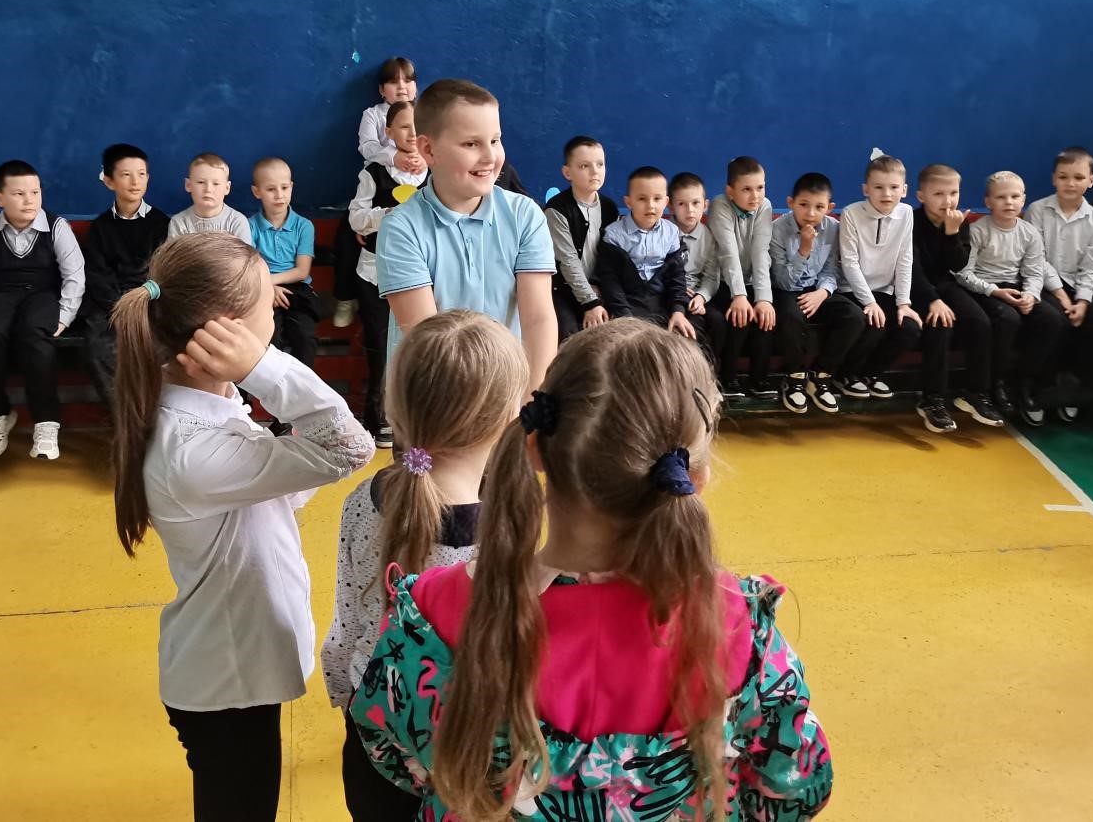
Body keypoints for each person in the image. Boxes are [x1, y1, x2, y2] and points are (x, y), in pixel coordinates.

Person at [349, 319, 833, 819]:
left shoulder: (430, 611)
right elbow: (797, 784)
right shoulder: (739, 626)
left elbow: (394, 753)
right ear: (695, 477)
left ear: (535, 448)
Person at [111, 233, 374, 822]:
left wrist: (254, 383)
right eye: (267, 300)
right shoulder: (192, 449)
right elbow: (352, 446)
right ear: (226, 332)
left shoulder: (210, 410)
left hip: (231, 671)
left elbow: (289, 486)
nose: (278, 308)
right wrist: (263, 367)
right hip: (226, 685)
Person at [323, 310, 528, 822]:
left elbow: (348, 620)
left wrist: (345, 691)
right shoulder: (507, 529)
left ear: (395, 404)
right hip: (465, 752)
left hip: (372, 731)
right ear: (509, 416)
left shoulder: (363, 499)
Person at [375, 78, 557, 392]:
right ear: (428, 149)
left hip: (510, 397)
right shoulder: (402, 228)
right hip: (434, 398)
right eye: (471, 144)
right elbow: (427, 339)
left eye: (495, 140)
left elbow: (538, 319)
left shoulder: (525, 216)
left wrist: (533, 401)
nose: (490, 156)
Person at [0, 159, 85, 461]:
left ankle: (46, 422)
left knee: (36, 335)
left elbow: (74, 275)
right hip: (0, 294)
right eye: (18, 194)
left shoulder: (56, 227)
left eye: (35, 193)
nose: (29, 201)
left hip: (42, 294)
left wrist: (65, 316)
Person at [838, 153, 956, 432]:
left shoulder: (905, 214)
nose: (886, 194)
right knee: (873, 323)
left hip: (886, 291)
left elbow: (905, 260)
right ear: (866, 189)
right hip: (854, 290)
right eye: (878, 187)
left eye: (893, 187)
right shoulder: (851, 214)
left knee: (910, 327)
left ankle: (868, 375)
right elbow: (849, 263)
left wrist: (903, 303)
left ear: (904, 190)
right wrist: (868, 302)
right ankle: (845, 376)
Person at [347, 99, 428, 447]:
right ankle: (380, 416)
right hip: (376, 274)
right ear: (389, 132)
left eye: (417, 126)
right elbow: (356, 218)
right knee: (381, 347)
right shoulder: (374, 173)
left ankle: (415, 418)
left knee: (419, 345)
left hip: (421, 275)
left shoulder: (434, 173)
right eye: (404, 126)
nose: (411, 133)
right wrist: (388, 215)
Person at [955, 173, 1065, 427]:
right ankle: (996, 383)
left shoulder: (1029, 233)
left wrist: (1031, 295)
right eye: (1001, 197)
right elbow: (964, 274)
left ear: (1023, 199)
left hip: (1017, 287)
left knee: (1052, 320)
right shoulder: (978, 230)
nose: (1009, 202)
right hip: (984, 288)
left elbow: (1034, 271)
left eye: (1015, 196)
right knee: (1007, 319)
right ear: (988, 201)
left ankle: (1025, 380)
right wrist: (994, 291)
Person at [1025, 147, 1093, 421]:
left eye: (1078, 177)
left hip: (1075, 285)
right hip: (1041, 283)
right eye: (1063, 177)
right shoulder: (1038, 210)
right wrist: (1063, 297)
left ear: (1091, 181)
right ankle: (1040, 387)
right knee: (1057, 321)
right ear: (1054, 179)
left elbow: (1091, 266)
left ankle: (1073, 386)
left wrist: (1083, 301)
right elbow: (1036, 259)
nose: (1070, 183)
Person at [912, 165, 1003, 427]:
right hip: (915, 287)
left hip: (945, 284)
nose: (948, 200)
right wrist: (933, 300)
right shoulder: (911, 221)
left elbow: (958, 264)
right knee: (940, 324)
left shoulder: (958, 222)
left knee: (980, 321)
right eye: (938, 194)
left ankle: (975, 393)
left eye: (953, 193)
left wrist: (952, 233)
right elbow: (912, 269)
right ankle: (932, 399)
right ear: (921, 196)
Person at [335, 57, 423, 328]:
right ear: (381, 90)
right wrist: (394, 157)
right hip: (377, 187)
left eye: (408, 80)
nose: (402, 87)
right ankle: (346, 296)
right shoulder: (373, 114)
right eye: (393, 82)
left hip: (414, 183)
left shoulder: (423, 114)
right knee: (348, 237)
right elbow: (367, 146)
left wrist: (421, 158)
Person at [81, 143, 170, 409]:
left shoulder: (161, 223)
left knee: (161, 341)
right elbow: (97, 273)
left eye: (141, 174)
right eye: (126, 175)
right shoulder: (100, 227)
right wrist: (119, 306)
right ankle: (122, 414)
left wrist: (139, 300)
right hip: (111, 303)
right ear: (109, 181)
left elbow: (163, 269)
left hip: (150, 297)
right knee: (99, 346)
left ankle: (157, 413)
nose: (135, 182)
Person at [769, 173, 865, 415]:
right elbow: (782, 280)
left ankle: (821, 375)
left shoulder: (833, 228)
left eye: (819, 207)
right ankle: (794, 378)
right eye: (804, 205)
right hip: (787, 289)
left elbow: (832, 269)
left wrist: (823, 292)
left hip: (818, 289)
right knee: (791, 316)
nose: (811, 213)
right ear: (791, 203)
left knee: (854, 316)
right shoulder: (777, 229)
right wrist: (804, 249)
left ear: (829, 208)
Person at [597, 167, 694, 340]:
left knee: (685, 335)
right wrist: (624, 316)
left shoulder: (671, 233)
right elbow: (610, 281)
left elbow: (676, 276)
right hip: (626, 303)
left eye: (657, 199)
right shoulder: (614, 235)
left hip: (661, 301)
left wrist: (678, 310)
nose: (650, 205)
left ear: (666, 202)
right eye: (642, 199)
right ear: (628, 202)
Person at [707, 156, 776, 397]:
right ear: (731, 191)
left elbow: (760, 252)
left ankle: (759, 379)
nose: (755, 196)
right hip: (724, 280)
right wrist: (739, 295)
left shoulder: (764, 206)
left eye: (760, 187)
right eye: (747, 189)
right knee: (739, 316)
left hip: (754, 279)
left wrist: (763, 299)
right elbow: (728, 253)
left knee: (765, 316)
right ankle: (728, 379)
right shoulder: (720, 205)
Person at [544, 135, 617, 341]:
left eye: (600, 164)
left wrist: (599, 289)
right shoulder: (557, 209)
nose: (595, 171)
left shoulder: (609, 208)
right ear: (568, 173)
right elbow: (568, 261)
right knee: (570, 337)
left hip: (598, 289)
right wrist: (590, 303)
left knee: (613, 334)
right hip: (563, 290)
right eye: (585, 166)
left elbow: (612, 257)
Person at [249, 157, 318, 372]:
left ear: (291, 187)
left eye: (284, 187)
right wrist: (267, 288)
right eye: (271, 189)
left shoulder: (303, 226)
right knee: (269, 339)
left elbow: (302, 271)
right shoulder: (250, 226)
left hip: (297, 290)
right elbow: (249, 268)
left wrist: (269, 282)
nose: (279, 195)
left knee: (304, 337)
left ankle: (303, 386)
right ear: (257, 192)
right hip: (260, 289)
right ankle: (270, 388)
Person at [668, 171, 725, 365]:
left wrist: (701, 297)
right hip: (670, 293)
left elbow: (711, 275)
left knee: (717, 321)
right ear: (670, 206)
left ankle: (711, 369)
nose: (689, 210)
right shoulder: (663, 232)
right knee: (686, 325)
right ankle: (685, 370)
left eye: (695, 203)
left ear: (705, 205)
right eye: (681, 204)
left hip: (696, 294)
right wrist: (675, 289)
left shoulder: (710, 237)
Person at [168, 153, 253, 244]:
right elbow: (174, 253)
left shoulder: (237, 222)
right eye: (201, 182)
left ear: (227, 188)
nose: (208, 189)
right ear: (188, 185)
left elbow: (245, 253)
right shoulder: (179, 222)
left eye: (216, 184)